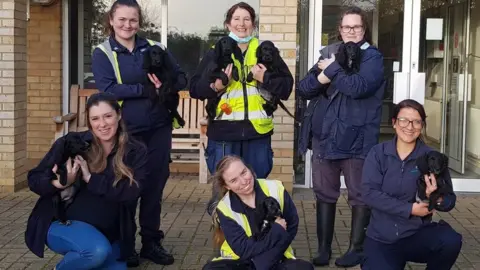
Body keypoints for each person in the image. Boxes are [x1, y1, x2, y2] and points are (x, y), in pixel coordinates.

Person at [91, 0, 187, 266]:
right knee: (127, 189)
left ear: (139, 22)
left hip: (158, 128)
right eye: (122, 19)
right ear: (111, 20)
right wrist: (147, 90)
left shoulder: (156, 48)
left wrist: (165, 85)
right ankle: (126, 245)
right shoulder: (103, 53)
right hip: (126, 133)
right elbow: (108, 89)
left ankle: (151, 243)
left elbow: (180, 78)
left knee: (154, 188)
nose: (127, 25)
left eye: (133, 20)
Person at [297, 6, 385, 267]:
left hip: (358, 139)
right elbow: (304, 88)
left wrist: (331, 70)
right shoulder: (329, 53)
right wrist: (324, 75)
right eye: (346, 27)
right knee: (324, 193)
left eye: (356, 27)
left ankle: (356, 248)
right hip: (325, 137)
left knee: (359, 194)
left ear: (364, 29)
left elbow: (357, 88)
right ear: (340, 29)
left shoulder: (373, 58)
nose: (351, 32)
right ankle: (324, 249)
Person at [25, 92, 147, 270]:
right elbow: (34, 179)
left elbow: (132, 191)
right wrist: (59, 184)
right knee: (96, 251)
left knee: (102, 255)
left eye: (107, 116)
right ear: (89, 122)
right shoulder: (72, 143)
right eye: (95, 118)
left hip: (111, 234)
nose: (102, 124)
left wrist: (91, 178)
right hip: (63, 225)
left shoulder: (135, 151)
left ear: (118, 115)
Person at [189, 2, 294, 179]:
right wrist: (216, 87)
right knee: (224, 194)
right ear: (228, 24)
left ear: (253, 24)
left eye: (247, 19)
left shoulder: (265, 50)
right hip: (224, 134)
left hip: (257, 134)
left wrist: (265, 78)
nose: (242, 23)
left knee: (256, 190)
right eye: (236, 19)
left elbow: (286, 88)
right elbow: (194, 89)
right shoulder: (216, 51)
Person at [361, 99, 463, 269]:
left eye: (416, 121)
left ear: (422, 125)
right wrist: (409, 209)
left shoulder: (432, 157)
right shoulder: (378, 153)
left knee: (450, 241)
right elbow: (369, 193)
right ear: (394, 123)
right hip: (382, 236)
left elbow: (449, 201)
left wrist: (435, 197)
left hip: (416, 234)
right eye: (403, 120)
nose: (410, 126)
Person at [202, 155, 314, 270]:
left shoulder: (275, 188)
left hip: (276, 255)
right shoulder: (224, 208)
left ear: (249, 169)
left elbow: (291, 226)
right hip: (239, 260)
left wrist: (265, 261)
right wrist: (276, 232)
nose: (243, 181)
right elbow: (244, 249)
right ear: (227, 186)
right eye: (234, 180)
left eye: (243, 172)